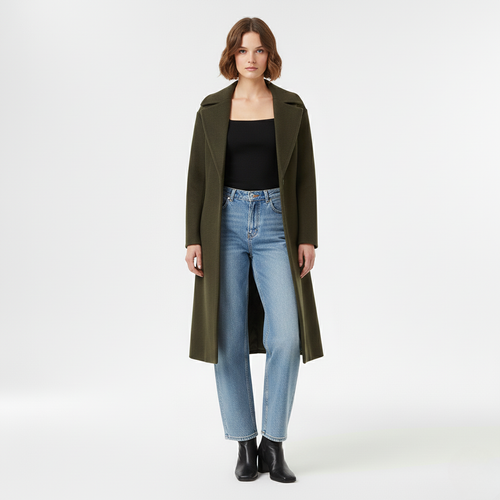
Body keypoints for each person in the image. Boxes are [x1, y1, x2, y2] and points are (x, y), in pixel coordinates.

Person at [185, 17, 323, 483]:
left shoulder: (290, 106)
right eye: (243, 50)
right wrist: (193, 238)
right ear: (232, 55)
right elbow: (197, 177)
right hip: (223, 224)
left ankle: (274, 443)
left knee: (287, 337)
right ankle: (244, 443)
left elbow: (305, 175)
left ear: (270, 56)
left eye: (259, 50)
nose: (251, 58)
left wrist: (307, 236)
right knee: (228, 338)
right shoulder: (211, 109)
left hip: (277, 224)